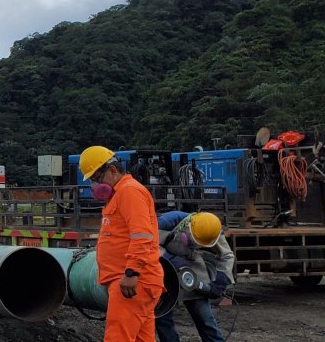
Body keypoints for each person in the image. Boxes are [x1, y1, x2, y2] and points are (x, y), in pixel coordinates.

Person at [80, 145, 165, 342]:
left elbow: (142, 235)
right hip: (136, 281)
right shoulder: (119, 194)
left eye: (97, 178)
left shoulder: (129, 192)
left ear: (112, 170)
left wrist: (132, 272)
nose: (95, 185)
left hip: (133, 282)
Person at [154, 211, 233, 342]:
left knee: (205, 318)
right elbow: (148, 243)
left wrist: (221, 280)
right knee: (163, 317)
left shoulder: (212, 230)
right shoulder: (166, 222)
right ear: (187, 226)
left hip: (192, 268)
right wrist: (171, 259)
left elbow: (226, 255)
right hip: (163, 268)